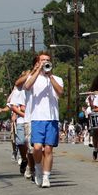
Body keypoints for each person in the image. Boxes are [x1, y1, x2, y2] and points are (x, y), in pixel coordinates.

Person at [22, 52, 64, 188]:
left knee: (48, 149)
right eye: (43, 60)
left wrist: (50, 76)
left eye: (47, 60)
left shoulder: (56, 78)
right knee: (37, 147)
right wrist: (37, 71)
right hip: (37, 118)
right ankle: (38, 168)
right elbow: (26, 86)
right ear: (38, 62)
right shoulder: (34, 78)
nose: (45, 62)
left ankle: (46, 177)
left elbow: (60, 92)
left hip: (52, 118)